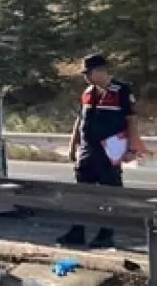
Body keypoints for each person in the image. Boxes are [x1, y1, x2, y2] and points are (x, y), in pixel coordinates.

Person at [58, 53, 146, 248]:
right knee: (81, 193)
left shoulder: (121, 90)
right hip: (88, 150)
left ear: (100, 71)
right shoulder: (88, 92)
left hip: (111, 149)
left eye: (88, 73)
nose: (86, 77)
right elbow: (80, 120)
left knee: (110, 194)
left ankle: (106, 233)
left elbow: (131, 120)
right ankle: (77, 231)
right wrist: (73, 146)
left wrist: (132, 148)